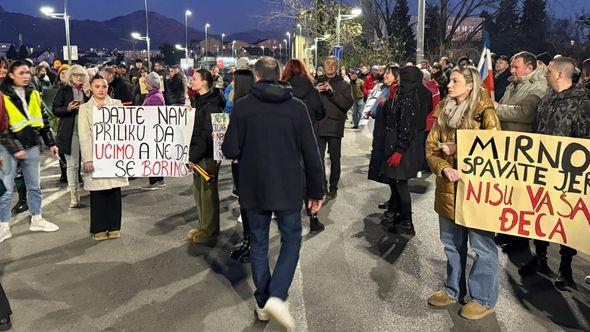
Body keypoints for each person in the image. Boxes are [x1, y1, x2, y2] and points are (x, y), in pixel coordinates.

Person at [222, 57, 324, 330]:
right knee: (292, 239)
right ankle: (277, 295)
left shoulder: (242, 108)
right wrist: (317, 190)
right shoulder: (297, 108)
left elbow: (230, 150)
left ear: (256, 77)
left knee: (258, 242)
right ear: (278, 75)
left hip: (253, 186)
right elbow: (312, 152)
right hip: (289, 186)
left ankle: (263, 300)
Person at [426, 65, 501, 320]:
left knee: (482, 246)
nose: (448, 85)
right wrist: (444, 167)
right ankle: (452, 289)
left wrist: (458, 148)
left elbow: (496, 149)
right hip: (448, 189)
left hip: (477, 192)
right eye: (450, 80)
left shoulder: (485, 112)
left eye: (455, 81)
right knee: (451, 244)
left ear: (470, 85)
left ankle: (483, 298)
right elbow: (431, 147)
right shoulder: (443, 110)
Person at [519, 57, 590, 289]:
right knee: (540, 213)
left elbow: (585, 143)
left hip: (567, 174)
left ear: (560, 74)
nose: (545, 73)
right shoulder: (547, 98)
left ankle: (565, 267)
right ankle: (540, 257)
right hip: (542, 169)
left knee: (565, 220)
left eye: (548, 71)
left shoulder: (582, 103)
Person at [0, 60, 60, 243]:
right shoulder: (2, 95)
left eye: (28, 72)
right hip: (8, 147)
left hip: (31, 145)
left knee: (35, 186)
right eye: (21, 73)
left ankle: (37, 218)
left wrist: (51, 142)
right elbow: (2, 128)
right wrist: (15, 149)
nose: (26, 76)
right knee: (6, 190)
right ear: (11, 75)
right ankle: (3, 226)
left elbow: (42, 118)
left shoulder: (34, 93)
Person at [494, 51, 548, 253]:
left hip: (523, 148)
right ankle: (507, 231)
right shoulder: (512, 84)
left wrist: (497, 108)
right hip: (507, 144)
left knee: (520, 195)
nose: (512, 70)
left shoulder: (538, 86)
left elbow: (525, 113)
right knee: (507, 192)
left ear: (530, 68)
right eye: (511, 66)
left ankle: (520, 239)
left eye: (516, 67)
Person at [78, 75, 128, 241]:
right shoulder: (84, 109)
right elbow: (84, 135)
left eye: (104, 86)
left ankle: (114, 227)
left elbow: (129, 127)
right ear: (91, 88)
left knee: (114, 192)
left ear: (108, 88)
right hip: (95, 156)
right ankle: (98, 228)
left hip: (114, 156)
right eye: (97, 86)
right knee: (98, 194)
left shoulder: (117, 105)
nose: (101, 89)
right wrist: (88, 159)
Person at [282, 59, 326, 233]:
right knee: (310, 174)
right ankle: (313, 217)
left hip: (288, 139)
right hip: (309, 136)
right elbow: (321, 112)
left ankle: (287, 216)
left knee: (288, 175)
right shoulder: (311, 89)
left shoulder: (283, 91)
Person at [380, 66, 425, 235]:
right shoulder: (402, 94)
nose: (399, 79)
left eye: (403, 76)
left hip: (401, 147)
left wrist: (399, 150)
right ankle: (399, 215)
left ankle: (407, 221)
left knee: (400, 183)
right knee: (395, 182)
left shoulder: (409, 97)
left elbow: (406, 127)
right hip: (395, 144)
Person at [186, 69, 226, 244]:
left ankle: (209, 233)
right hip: (199, 154)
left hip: (206, 156)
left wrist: (192, 157)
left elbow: (206, 135)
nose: (191, 81)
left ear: (204, 83)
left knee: (207, 195)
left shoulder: (210, 105)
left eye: (194, 79)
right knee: (199, 193)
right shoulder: (200, 102)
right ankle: (203, 227)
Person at [52, 65, 91, 208]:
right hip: (71, 131)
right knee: (73, 163)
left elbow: (97, 107)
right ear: (70, 76)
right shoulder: (64, 90)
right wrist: (68, 108)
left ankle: (91, 188)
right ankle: (74, 192)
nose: (79, 77)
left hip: (87, 130)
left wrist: (88, 95)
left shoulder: (89, 89)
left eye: (81, 74)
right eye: (75, 74)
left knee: (89, 162)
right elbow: (55, 110)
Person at [315, 56, 354, 199]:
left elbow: (346, 104)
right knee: (318, 158)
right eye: (328, 64)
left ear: (337, 67)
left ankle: (334, 186)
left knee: (335, 159)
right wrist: (314, 92)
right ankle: (322, 184)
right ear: (324, 66)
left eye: (333, 64)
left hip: (334, 126)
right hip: (319, 125)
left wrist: (332, 92)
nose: (330, 67)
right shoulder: (316, 82)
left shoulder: (344, 85)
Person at [368, 65, 399, 220]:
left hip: (389, 137)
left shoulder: (396, 91)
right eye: (385, 73)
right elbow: (376, 108)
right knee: (387, 173)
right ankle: (392, 201)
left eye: (388, 73)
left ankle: (396, 206)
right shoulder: (385, 89)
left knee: (393, 176)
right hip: (381, 134)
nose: (385, 75)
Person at [140, 72, 167, 190]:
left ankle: (154, 182)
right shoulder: (153, 95)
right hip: (154, 130)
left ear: (150, 84)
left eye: (146, 82)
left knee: (151, 156)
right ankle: (160, 181)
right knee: (155, 156)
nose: (144, 84)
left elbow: (151, 115)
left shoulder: (154, 97)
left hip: (152, 130)